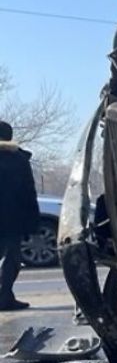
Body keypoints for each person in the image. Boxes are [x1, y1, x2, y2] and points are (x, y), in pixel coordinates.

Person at [0, 121, 39, 311]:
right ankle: (4, 296)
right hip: (11, 218)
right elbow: (28, 192)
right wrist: (32, 222)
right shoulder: (18, 159)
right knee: (10, 259)